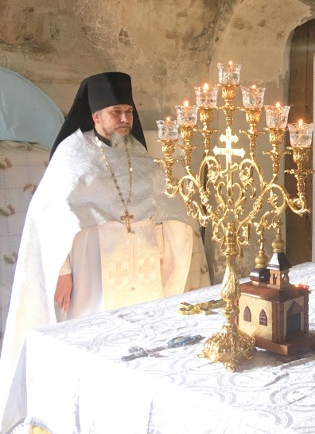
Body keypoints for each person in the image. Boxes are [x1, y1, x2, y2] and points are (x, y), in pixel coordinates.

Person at [0, 72, 198, 385]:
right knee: (97, 341)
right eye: (116, 112)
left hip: (142, 262)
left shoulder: (138, 152)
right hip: (94, 265)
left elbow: (164, 202)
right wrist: (62, 272)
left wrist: (165, 248)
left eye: (128, 111)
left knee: (144, 342)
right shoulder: (73, 153)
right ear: (95, 116)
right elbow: (50, 218)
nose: (125, 119)